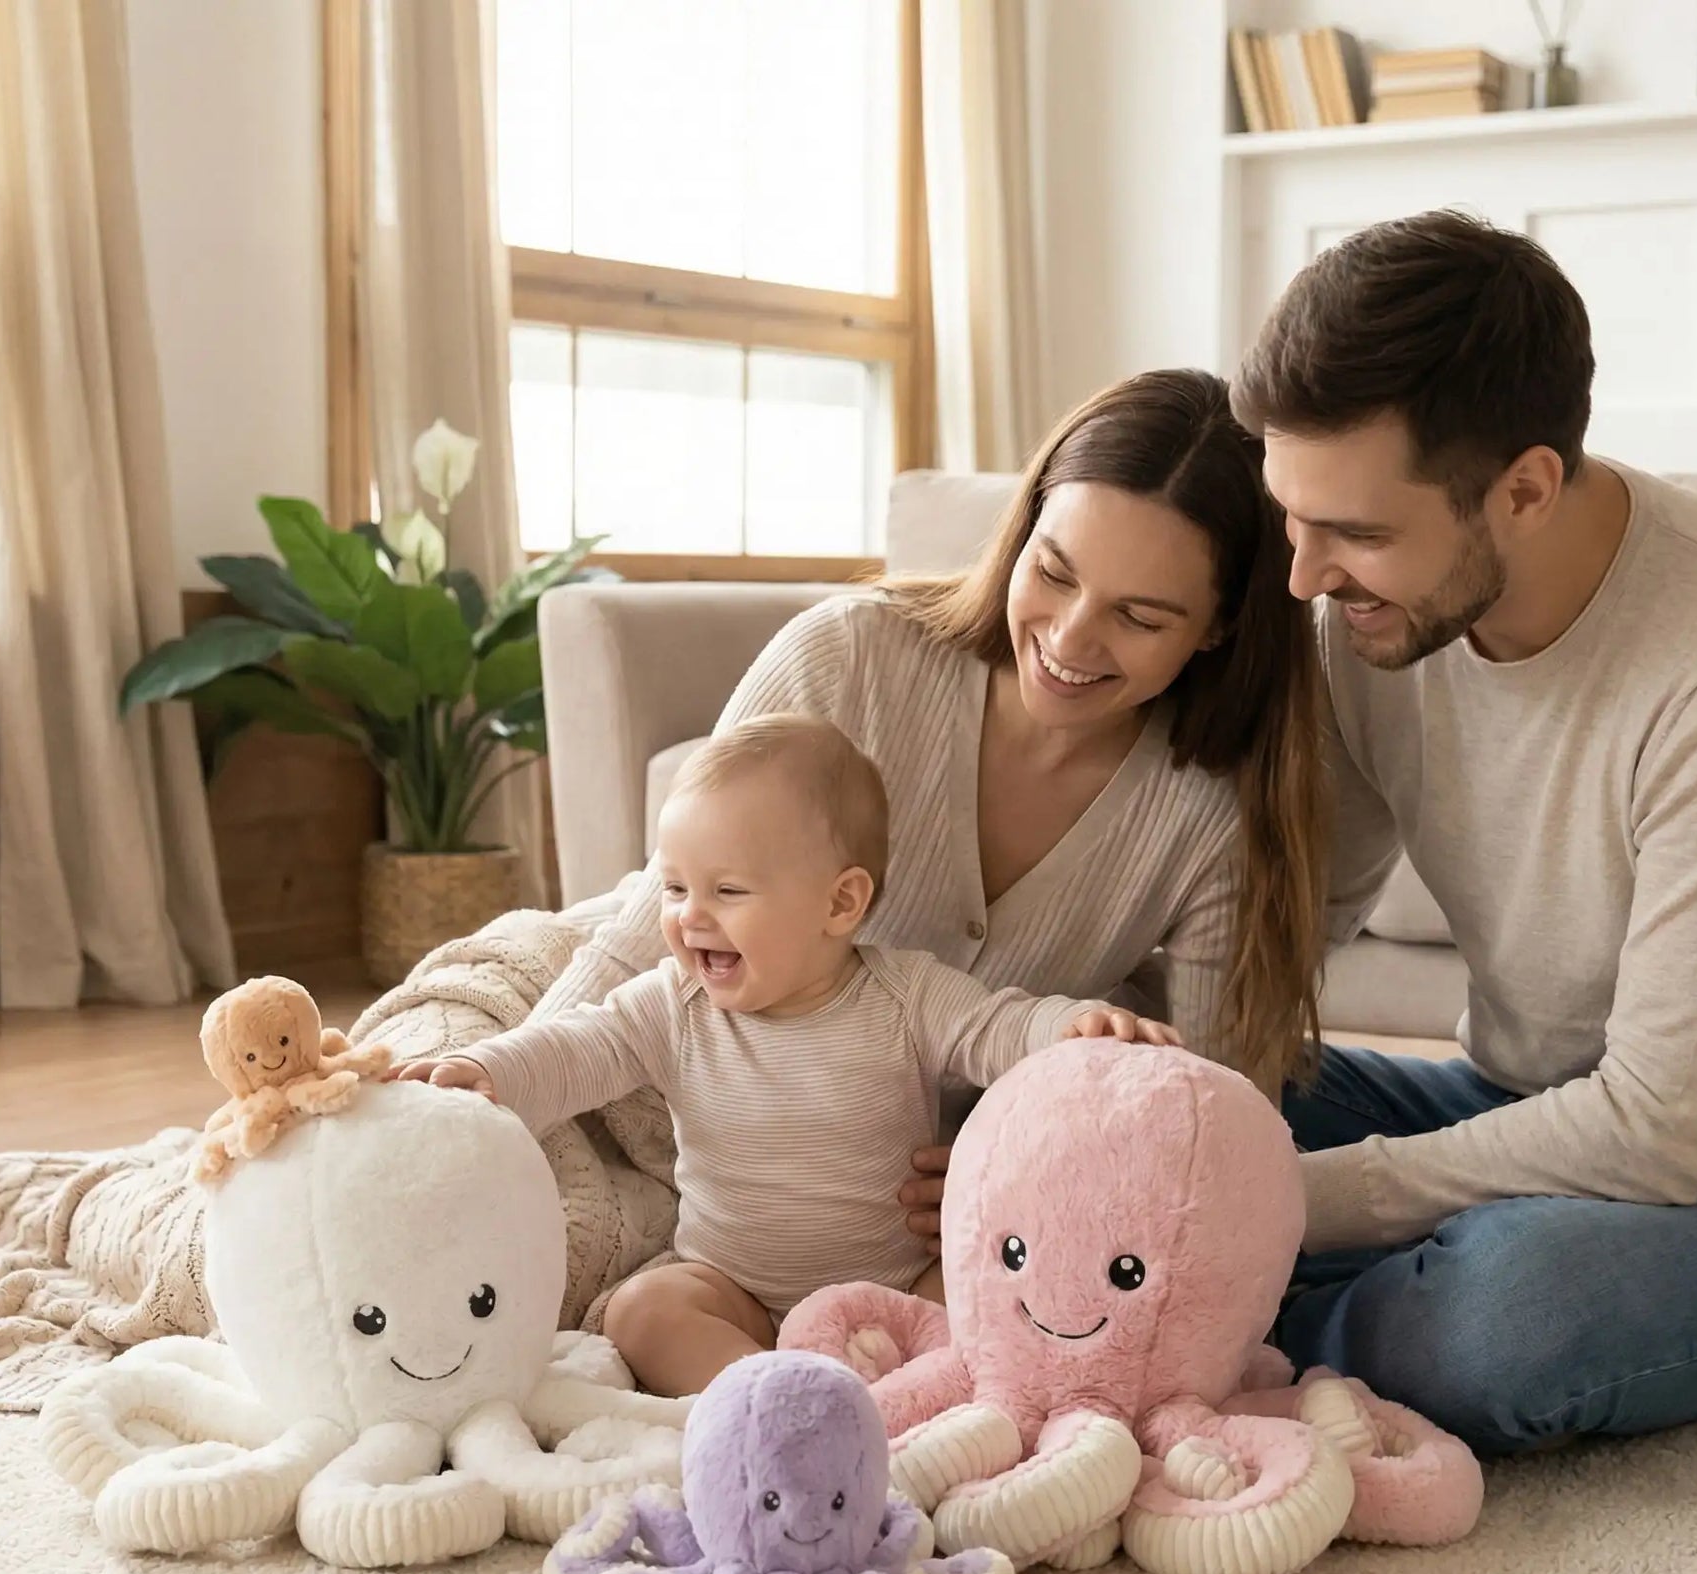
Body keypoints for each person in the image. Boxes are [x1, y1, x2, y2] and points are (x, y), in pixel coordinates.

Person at [532, 369, 1331, 1291]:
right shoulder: (850, 655)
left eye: (1138, 617)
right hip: (683, 1081)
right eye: (1054, 572)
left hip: (902, 1215)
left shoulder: (1214, 808)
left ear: (1219, 628)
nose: (1070, 641)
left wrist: (1024, 1161)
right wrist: (484, 1109)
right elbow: (649, 928)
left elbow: (1202, 1104)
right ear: (1021, 531)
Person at [1229, 209, 1697, 1456]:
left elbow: (1662, 1128)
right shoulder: (1365, 626)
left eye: (1353, 531)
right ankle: (1205, 1302)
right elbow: (1289, 927)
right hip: (1513, 1093)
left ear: (1523, 487)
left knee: (1515, 1309)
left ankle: (1197, 1327)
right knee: (1136, 1101)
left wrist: (1275, 1205)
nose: (1302, 576)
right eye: (1289, 517)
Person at [400, 716, 1170, 1395]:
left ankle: (896, 1389)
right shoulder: (673, 1005)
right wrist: (488, 1071)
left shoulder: (908, 997)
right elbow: (576, 1050)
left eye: (727, 891)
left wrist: (1075, 1028)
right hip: (736, 1294)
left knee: (985, 1293)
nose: (689, 918)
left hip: (895, 1292)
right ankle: (769, 1392)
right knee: (644, 1310)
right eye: (673, 888)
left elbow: (1003, 1028)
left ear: (840, 903)